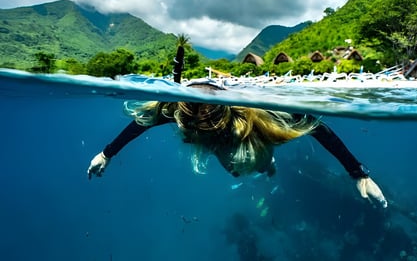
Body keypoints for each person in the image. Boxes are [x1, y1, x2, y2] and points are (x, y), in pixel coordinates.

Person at [87, 81, 387, 208]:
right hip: (221, 139)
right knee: (234, 170)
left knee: (257, 161)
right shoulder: (178, 109)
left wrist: (359, 173)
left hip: (248, 134)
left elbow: (319, 128)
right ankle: (259, 163)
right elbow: (141, 122)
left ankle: (268, 162)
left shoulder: (260, 114)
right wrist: (106, 153)